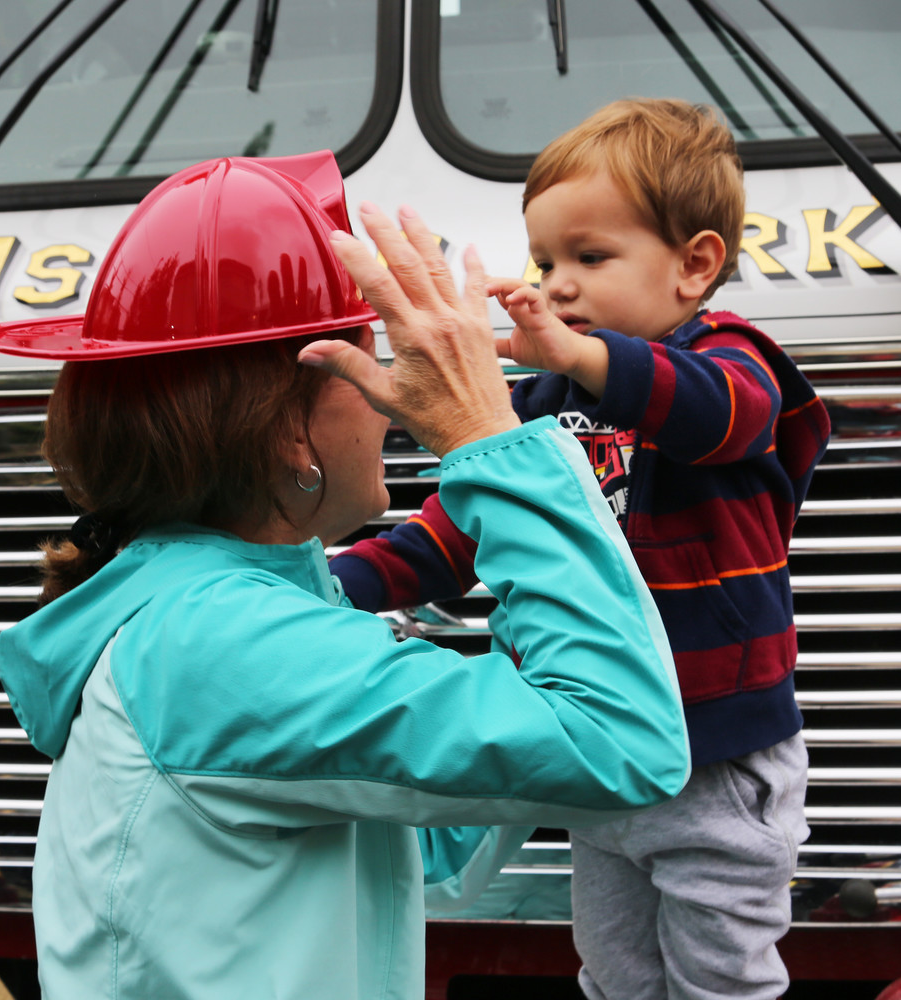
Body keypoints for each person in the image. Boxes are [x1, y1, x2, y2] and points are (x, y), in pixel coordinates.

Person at [0, 151, 691, 1000]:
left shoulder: (206, 614)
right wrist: (486, 439)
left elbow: (432, 849)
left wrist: (563, 572)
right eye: (371, 355)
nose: (395, 394)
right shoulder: (222, 642)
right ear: (286, 428)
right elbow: (622, 744)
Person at [330, 99, 832, 1000]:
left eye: (589, 259)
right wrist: (334, 585)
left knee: (723, 980)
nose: (557, 285)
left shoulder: (732, 358)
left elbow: (719, 418)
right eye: (545, 261)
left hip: (718, 756)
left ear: (696, 264)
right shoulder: (543, 402)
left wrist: (586, 362)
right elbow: (456, 532)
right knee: (614, 973)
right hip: (597, 753)